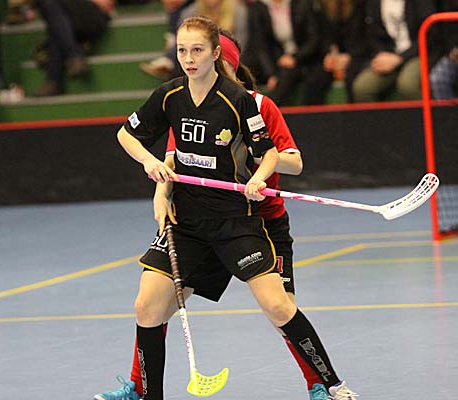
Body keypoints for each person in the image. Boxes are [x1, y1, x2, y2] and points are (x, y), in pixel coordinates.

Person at [100, 16, 358, 400]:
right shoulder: (173, 97)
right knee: (149, 307)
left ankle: (328, 385)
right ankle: (144, 392)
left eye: (198, 51)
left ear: (218, 57)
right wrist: (156, 181)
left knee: (279, 307)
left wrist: (257, 175)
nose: (190, 59)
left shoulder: (245, 102)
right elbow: (158, 150)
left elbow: (277, 156)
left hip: (243, 221)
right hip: (188, 222)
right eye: (182, 51)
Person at [350, 0, 435, 102]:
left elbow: (430, 36)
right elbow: (373, 35)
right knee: (362, 88)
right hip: (389, 55)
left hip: (419, 53)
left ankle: (430, 112)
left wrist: (400, 58)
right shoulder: (373, 3)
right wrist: (382, 55)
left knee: (408, 85)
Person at [33, 0, 114, 97]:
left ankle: (54, 78)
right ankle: (74, 55)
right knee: (55, 19)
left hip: (94, 14)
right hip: (69, 19)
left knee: (52, 11)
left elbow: (106, 3)